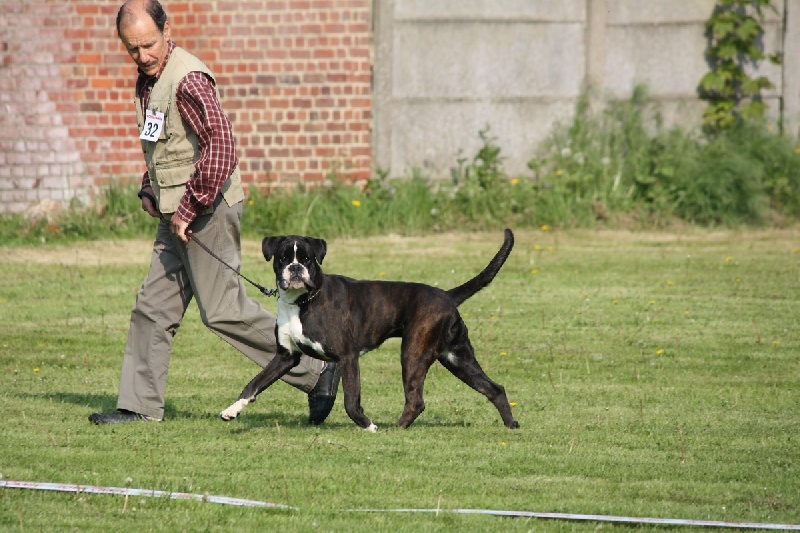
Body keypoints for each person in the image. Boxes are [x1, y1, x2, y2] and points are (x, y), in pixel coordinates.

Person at [89, 0, 339, 425]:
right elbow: (166, 145)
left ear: (168, 31)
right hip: (178, 213)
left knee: (223, 310)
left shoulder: (188, 80)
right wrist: (151, 187)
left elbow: (221, 148)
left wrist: (188, 207)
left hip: (206, 210)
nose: (143, 56)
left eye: (149, 45)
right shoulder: (152, 80)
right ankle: (139, 407)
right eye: (132, 49)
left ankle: (317, 369)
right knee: (153, 306)